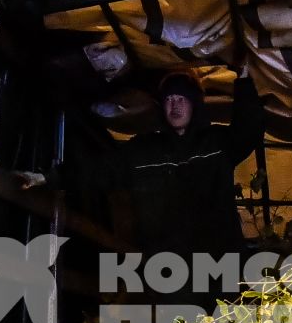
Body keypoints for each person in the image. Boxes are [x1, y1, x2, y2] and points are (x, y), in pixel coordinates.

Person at [106, 72, 266, 266]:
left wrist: (243, 80)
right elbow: (108, 167)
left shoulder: (216, 143)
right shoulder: (145, 150)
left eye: (182, 98)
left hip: (219, 259)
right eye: (169, 99)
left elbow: (249, 128)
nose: (175, 105)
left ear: (194, 105)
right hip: (166, 266)